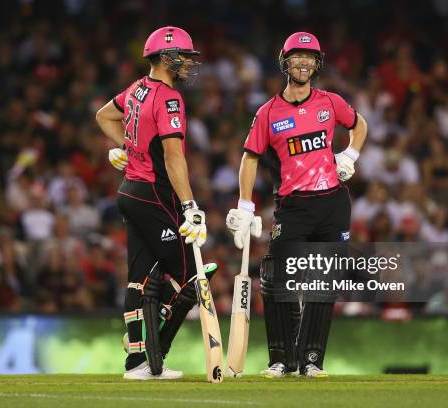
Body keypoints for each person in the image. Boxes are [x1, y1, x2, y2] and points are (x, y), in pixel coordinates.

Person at [226, 32, 368, 377]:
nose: (303, 63)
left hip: (333, 203)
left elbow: (359, 124)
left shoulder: (330, 102)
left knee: (323, 283)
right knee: (276, 280)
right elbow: (250, 158)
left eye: (310, 57)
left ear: (317, 64)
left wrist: (350, 153)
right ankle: (281, 360)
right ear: (284, 62)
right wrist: (245, 205)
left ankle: (312, 362)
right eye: (297, 57)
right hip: (293, 206)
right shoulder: (268, 112)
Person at [96, 26, 207, 380]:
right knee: (191, 278)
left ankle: (136, 363)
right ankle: (154, 357)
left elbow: (103, 115)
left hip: (130, 192)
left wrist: (126, 149)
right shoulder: (168, 98)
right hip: (154, 195)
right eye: (184, 56)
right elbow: (174, 158)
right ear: (165, 57)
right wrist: (190, 206)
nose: (189, 62)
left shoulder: (137, 89)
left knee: (138, 280)